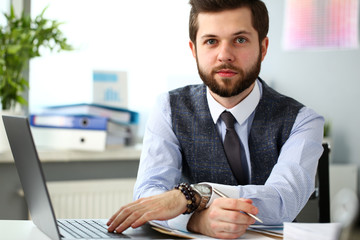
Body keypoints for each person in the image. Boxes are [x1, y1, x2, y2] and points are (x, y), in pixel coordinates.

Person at [107, 0, 325, 238]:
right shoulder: (168, 108)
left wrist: (197, 195)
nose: (225, 55)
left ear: (263, 48)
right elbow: (149, 198)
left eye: (240, 40)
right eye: (211, 41)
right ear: (194, 50)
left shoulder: (303, 120)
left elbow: (284, 200)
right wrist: (195, 221)